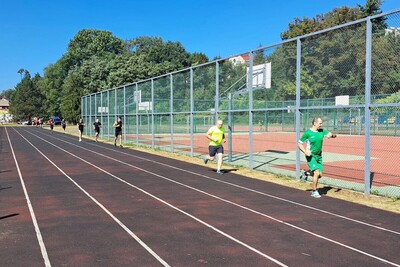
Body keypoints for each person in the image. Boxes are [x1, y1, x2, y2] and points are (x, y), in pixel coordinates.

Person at [298, 117, 337, 198]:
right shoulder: (308, 133)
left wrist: (332, 135)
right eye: (320, 123)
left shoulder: (322, 131)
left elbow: (334, 135)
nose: (321, 125)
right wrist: (305, 152)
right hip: (311, 156)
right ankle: (314, 191)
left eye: (321, 123)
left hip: (319, 156)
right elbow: (299, 143)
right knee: (316, 172)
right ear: (315, 123)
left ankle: (306, 173)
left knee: (319, 175)